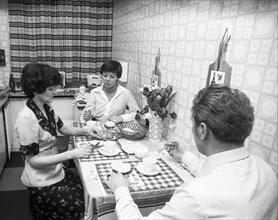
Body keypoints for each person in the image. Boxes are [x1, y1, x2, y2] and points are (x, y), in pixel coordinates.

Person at [105, 85, 278, 219]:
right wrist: (184, 157)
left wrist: (121, 190)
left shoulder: (196, 196)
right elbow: (216, 172)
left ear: (202, 130)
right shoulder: (266, 171)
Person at [15, 63, 101, 220]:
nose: (55, 92)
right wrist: (71, 154)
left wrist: (86, 130)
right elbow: (33, 161)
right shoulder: (26, 118)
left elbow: (63, 128)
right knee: (78, 206)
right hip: (40, 178)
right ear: (35, 89)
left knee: (82, 185)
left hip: (53, 168)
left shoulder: (46, 107)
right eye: (50, 89)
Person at [80, 60, 139, 124]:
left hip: (115, 128)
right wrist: (87, 117)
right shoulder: (94, 93)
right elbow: (84, 116)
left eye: (112, 77)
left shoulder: (125, 93)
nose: (107, 79)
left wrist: (121, 118)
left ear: (117, 78)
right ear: (101, 76)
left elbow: (135, 113)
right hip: (96, 127)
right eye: (105, 75)